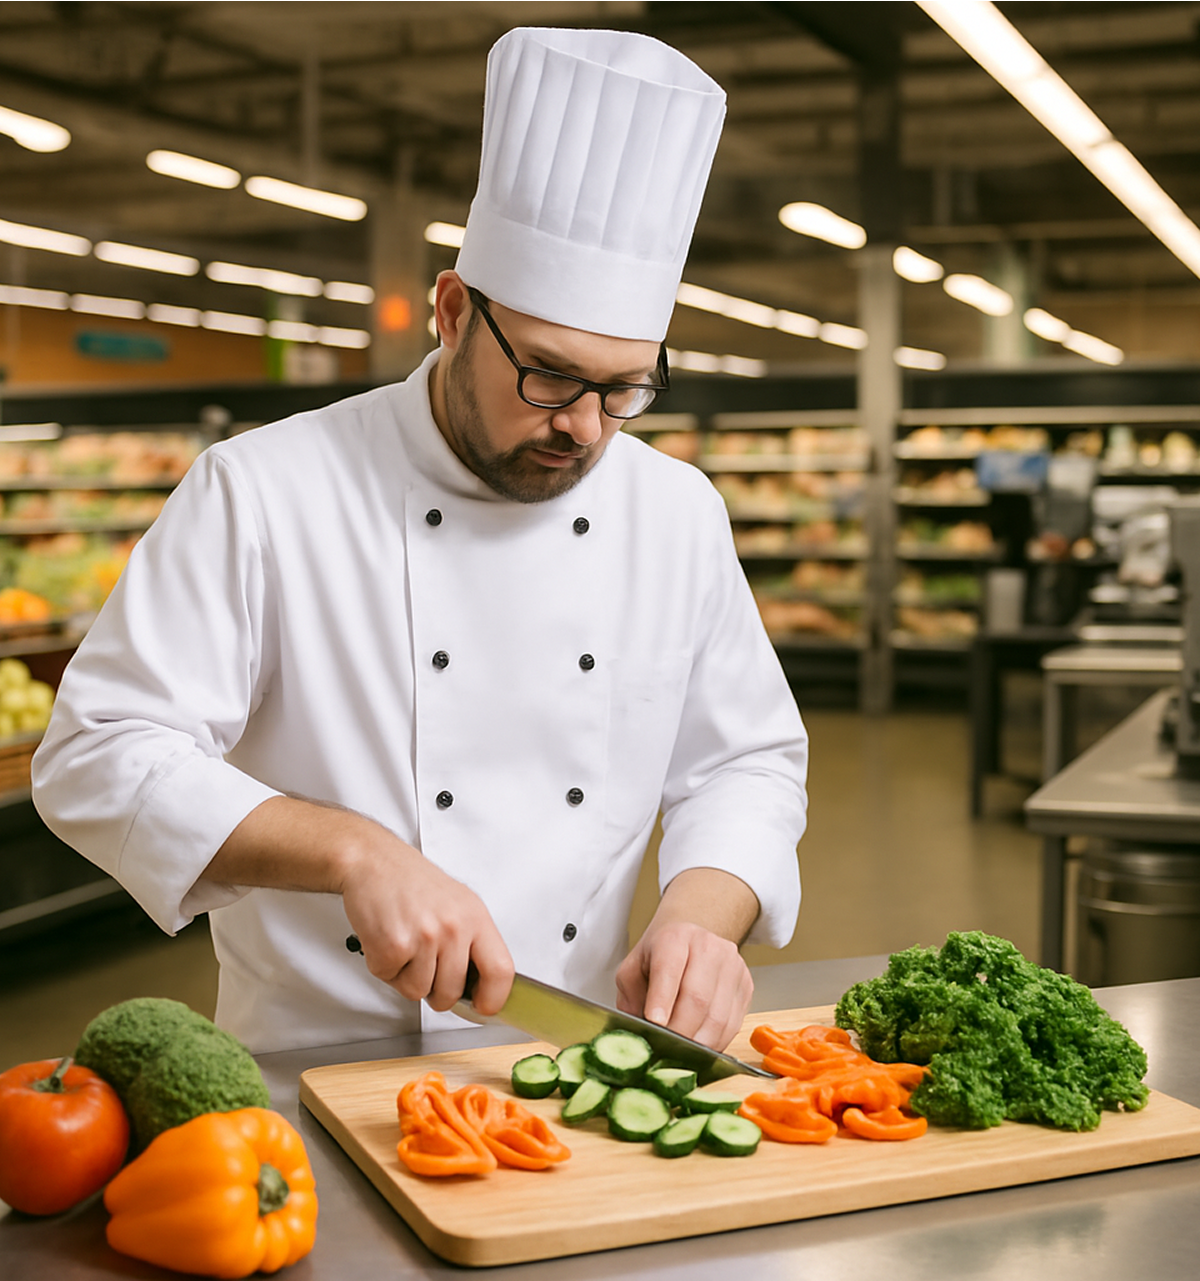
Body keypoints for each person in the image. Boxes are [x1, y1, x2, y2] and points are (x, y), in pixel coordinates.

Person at [31, 26, 808, 1055]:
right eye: (549, 374)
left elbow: (743, 763)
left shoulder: (677, 513)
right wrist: (352, 850)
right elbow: (98, 751)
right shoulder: (264, 490)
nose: (584, 424)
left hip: (566, 1063)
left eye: (626, 389)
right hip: (309, 1075)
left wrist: (701, 921)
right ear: (451, 311)